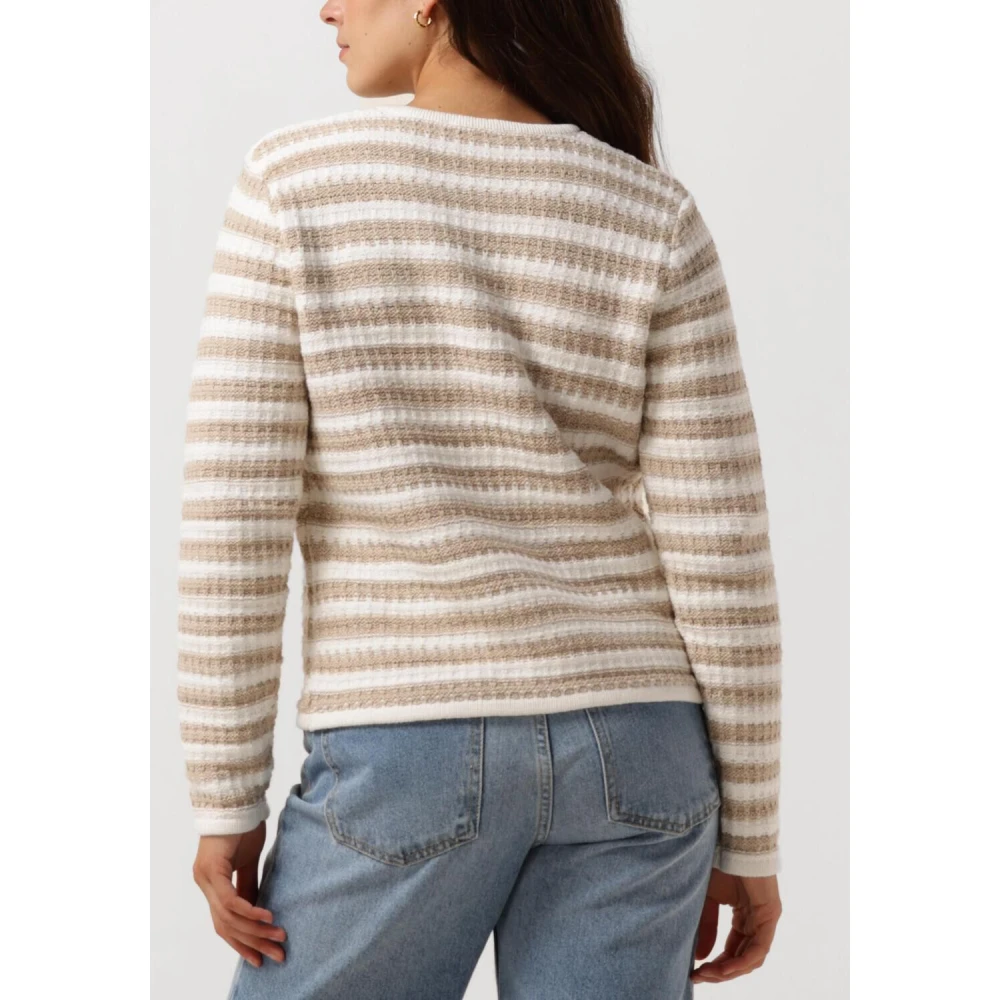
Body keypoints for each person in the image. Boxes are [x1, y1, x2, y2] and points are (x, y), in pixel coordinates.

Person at [178, 2, 784, 996]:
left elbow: (233, 517)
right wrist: (751, 830)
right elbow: (721, 548)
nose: (326, 7)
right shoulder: (652, 212)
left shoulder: (294, 185)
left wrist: (223, 795)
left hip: (407, 740)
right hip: (639, 750)